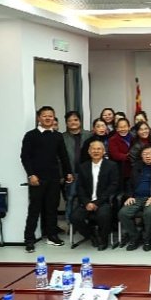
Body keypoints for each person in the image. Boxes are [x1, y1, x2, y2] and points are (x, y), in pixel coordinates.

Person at [20, 106, 73, 252]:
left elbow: (63, 156)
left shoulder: (57, 136)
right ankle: (29, 239)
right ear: (39, 118)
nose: (48, 118)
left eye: (50, 116)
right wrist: (31, 174)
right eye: (45, 116)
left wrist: (68, 172)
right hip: (37, 178)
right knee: (34, 209)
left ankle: (52, 236)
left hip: (54, 178)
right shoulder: (31, 135)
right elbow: (25, 157)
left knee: (52, 208)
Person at [118, 145, 151, 252]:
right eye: (144, 154)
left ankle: (147, 238)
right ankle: (135, 237)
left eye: (149, 154)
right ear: (141, 156)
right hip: (136, 198)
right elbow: (129, 183)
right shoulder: (137, 166)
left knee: (150, 213)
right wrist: (129, 196)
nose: (147, 156)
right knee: (123, 213)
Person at [74, 139, 119, 251]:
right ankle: (91, 235)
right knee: (75, 217)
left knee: (103, 215)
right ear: (89, 152)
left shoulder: (111, 165)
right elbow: (80, 187)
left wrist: (97, 203)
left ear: (104, 151)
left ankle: (103, 240)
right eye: (93, 149)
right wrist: (86, 202)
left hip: (103, 201)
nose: (96, 151)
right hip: (87, 201)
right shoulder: (83, 166)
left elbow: (113, 186)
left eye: (99, 149)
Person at [62, 111, 91, 223]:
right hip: (71, 174)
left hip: (87, 173)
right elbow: (60, 157)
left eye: (75, 120)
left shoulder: (89, 135)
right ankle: (70, 224)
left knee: (87, 198)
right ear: (66, 123)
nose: (73, 122)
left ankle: (87, 223)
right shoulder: (62, 137)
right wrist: (65, 173)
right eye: (69, 120)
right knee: (70, 198)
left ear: (80, 121)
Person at [108, 117, 133, 182]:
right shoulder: (112, 140)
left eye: (125, 126)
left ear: (129, 127)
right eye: (120, 127)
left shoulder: (133, 137)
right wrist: (129, 156)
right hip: (119, 170)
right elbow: (115, 155)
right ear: (117, 129)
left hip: (132, 170)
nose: (123, 129)